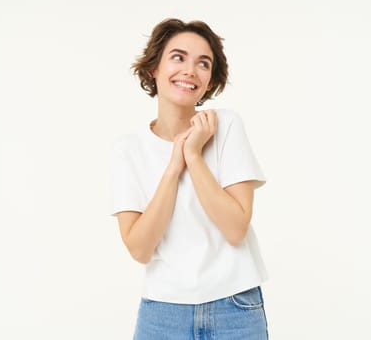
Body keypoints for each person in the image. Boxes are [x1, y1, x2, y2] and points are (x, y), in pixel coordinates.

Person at [111, 18, 269, 339]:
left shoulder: (226, 127)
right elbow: (140, 249)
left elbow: (236, 228)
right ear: (154, 68)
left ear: (210, 81)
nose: (190, 71)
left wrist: (194, 157)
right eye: (178, 57)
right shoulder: (129, 149)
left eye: (203, 63)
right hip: (163, 312)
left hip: (235, 306)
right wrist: (173, 168)